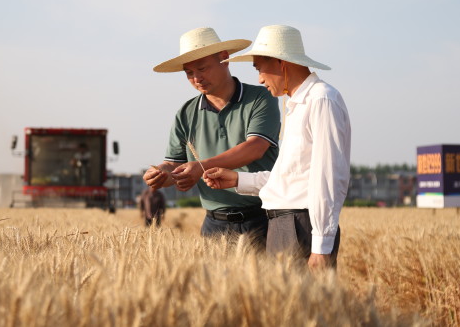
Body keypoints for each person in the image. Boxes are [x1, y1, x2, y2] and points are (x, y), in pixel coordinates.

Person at [203, 24, 351, 271]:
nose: (259, 78)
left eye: (260, 68)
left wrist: (321, 247)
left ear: (282, 64)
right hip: (285, 225)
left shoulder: (321, 99)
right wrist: (238, 180)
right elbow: (293, 176)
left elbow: (328, 176)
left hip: (300, 225)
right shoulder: (296, 104)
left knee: (304, 308)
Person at [144, 27, 280, 248]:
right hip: (214, 225)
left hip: (264, 219)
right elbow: (174, 165)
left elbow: (255, 147)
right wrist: (162, 174)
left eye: (202, 68)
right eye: (188, 72)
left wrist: (200, 167)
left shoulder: (261, 98)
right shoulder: (185, 113)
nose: (197, 78)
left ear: (225, 59)